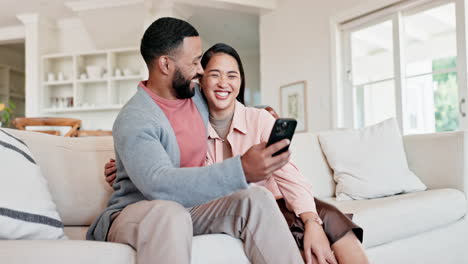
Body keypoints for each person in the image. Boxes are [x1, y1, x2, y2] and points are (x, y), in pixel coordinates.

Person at [105, 41, 370, 264]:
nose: (224, 83)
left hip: (278, 200)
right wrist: (130, 166)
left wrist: (311, 221)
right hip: (237, 207)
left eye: (232, 75)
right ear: (200, 81)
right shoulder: (185, 125)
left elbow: (290, 177)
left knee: (333, 223)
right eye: (214, 74)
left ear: (241, 81)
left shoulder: (259, 119)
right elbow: (165, 167)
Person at [87, 17, 305, 264]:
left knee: (257, 197)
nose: (201, 70)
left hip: (192, 208)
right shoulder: (134, 118)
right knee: (169, 213)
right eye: (194, 62)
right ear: (166, 64)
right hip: (137, 212)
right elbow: (159, 185)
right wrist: (241, 169)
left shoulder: (194, 96)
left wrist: (261, 112)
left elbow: (224, 98)